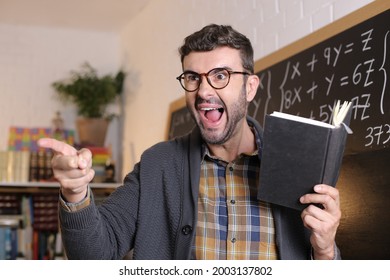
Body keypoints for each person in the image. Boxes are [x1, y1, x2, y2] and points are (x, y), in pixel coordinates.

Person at [38, 24, 341, 260]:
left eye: (220, 75)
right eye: (193, 77)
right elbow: (94, 256)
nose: (204, 91)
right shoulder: (158, 165)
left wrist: (326, 251)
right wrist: (75, 192)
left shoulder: (295, 164)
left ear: (250, 87)